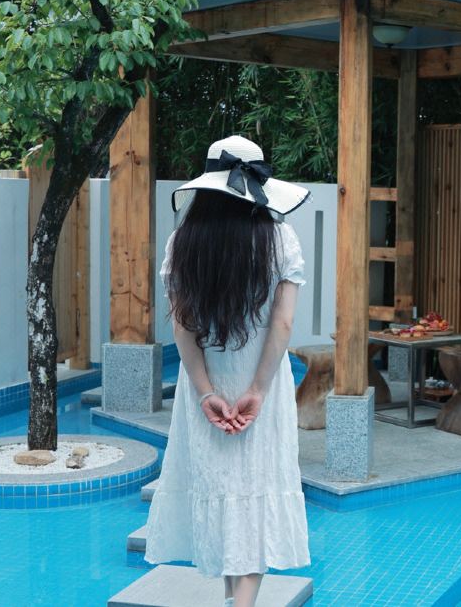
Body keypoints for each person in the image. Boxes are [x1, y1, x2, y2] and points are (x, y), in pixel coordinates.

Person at [144, 136, 312, 607]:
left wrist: (204, 392)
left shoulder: (183, 242)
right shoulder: (280, 239)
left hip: (208, 382)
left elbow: (182, 326)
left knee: (218, 487)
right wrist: (258, 388)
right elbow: (282, 324)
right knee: (256, 490)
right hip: (263, 382)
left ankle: (230, 601)